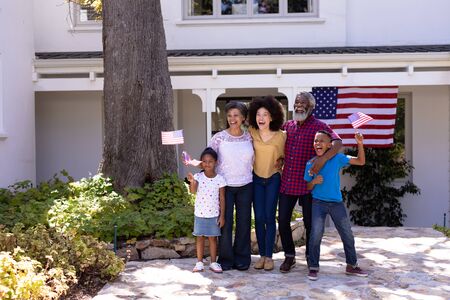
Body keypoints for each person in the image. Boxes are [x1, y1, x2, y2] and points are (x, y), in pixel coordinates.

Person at [278, 92, 342, 273]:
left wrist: (322, 160)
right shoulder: (288, 126)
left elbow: (337, 143)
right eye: (297, 102)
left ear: (311, 107)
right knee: (282, 221)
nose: (299, 105)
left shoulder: (320, 126)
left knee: (310, 224)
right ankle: (289, 256)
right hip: (288, 182)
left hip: (309, 185)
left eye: (303, 103)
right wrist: (279, 159)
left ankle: (310, 256)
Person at [304, 130, 368, 280]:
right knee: (315, 235)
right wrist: (314, 182)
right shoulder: (311, 163)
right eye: (315, 141)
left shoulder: (338, 159)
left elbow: (360, 161)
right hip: (318, 203)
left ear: (329, 145)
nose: (317, 143)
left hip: (336, 203)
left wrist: (360, 144)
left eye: (321, 141)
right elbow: (308, 186)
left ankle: (351, 266)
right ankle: (313, 267)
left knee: (347, 234)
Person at [210, 101, 254, 271]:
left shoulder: (250, 137)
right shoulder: (219, 137)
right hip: (225, 187)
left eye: (236, 115)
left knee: (244, 223)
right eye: (229, 115)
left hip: (246, 185)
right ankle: (226, 259)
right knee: (225, 223)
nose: (232, 119)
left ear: (243, 117)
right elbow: (209, 158)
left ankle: (242, 259)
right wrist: (195, 163)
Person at [247, 96, 286, 271]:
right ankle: (261, 255)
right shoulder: (251, 132)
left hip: (273, 179)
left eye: (265, 114)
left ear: (273, 117)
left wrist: (282, 162)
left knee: (270, 218)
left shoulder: (281, 136)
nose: (261, 118)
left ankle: (269, 256)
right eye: (258, 114)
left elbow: (287, 156)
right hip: (256, 178)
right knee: (259, 218)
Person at [187, 147, 227, 273]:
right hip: (200, 213)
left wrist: (222, 216)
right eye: (204, 161)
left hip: (214, 214)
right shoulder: (198, 176)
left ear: (216, 162)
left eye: (210, 161)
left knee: (213, 238)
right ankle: (199, 262)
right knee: (199, 237)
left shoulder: (220, 179)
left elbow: (222, 198)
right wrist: (192, 182)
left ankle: (213, 262)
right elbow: (193, 192)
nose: (207, 164)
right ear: (201, 163)